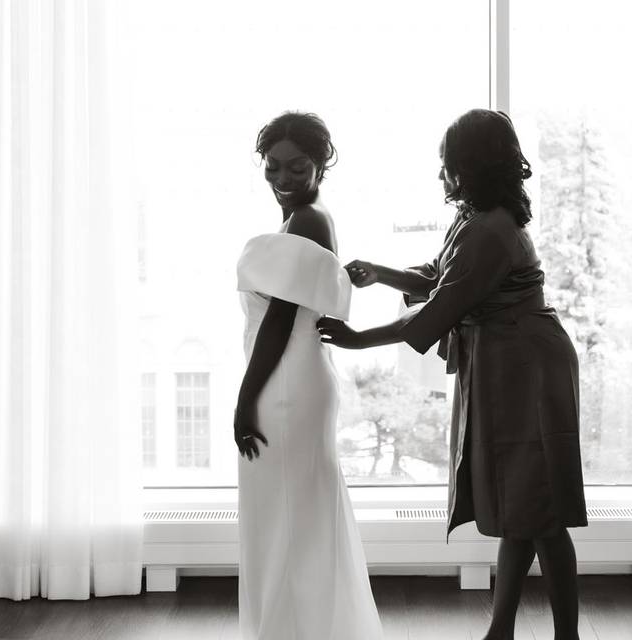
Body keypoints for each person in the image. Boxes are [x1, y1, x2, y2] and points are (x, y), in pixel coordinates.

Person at [318, 108, 588, 640]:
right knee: (521, 509)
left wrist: (356, 339)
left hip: (527, 373)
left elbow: (440, 308)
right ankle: (502, 631)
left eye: (448, 164)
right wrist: (380, 273)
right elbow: (441, 276)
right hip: (505, 364)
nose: (441, 175)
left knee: (542, 515)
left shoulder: (490, 229)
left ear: (473, 166)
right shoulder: (476, 216)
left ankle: (567, 638)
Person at [234, 111, 383, 640]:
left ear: (321, 165)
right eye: (272, 167)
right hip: (295, 376)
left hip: (287, 382)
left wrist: (243, 401)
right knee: (293, 511)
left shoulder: (308, 220)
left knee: (289, 515)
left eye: (297, 168)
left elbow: (278, 323)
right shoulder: (304, 218)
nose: (282, 180)